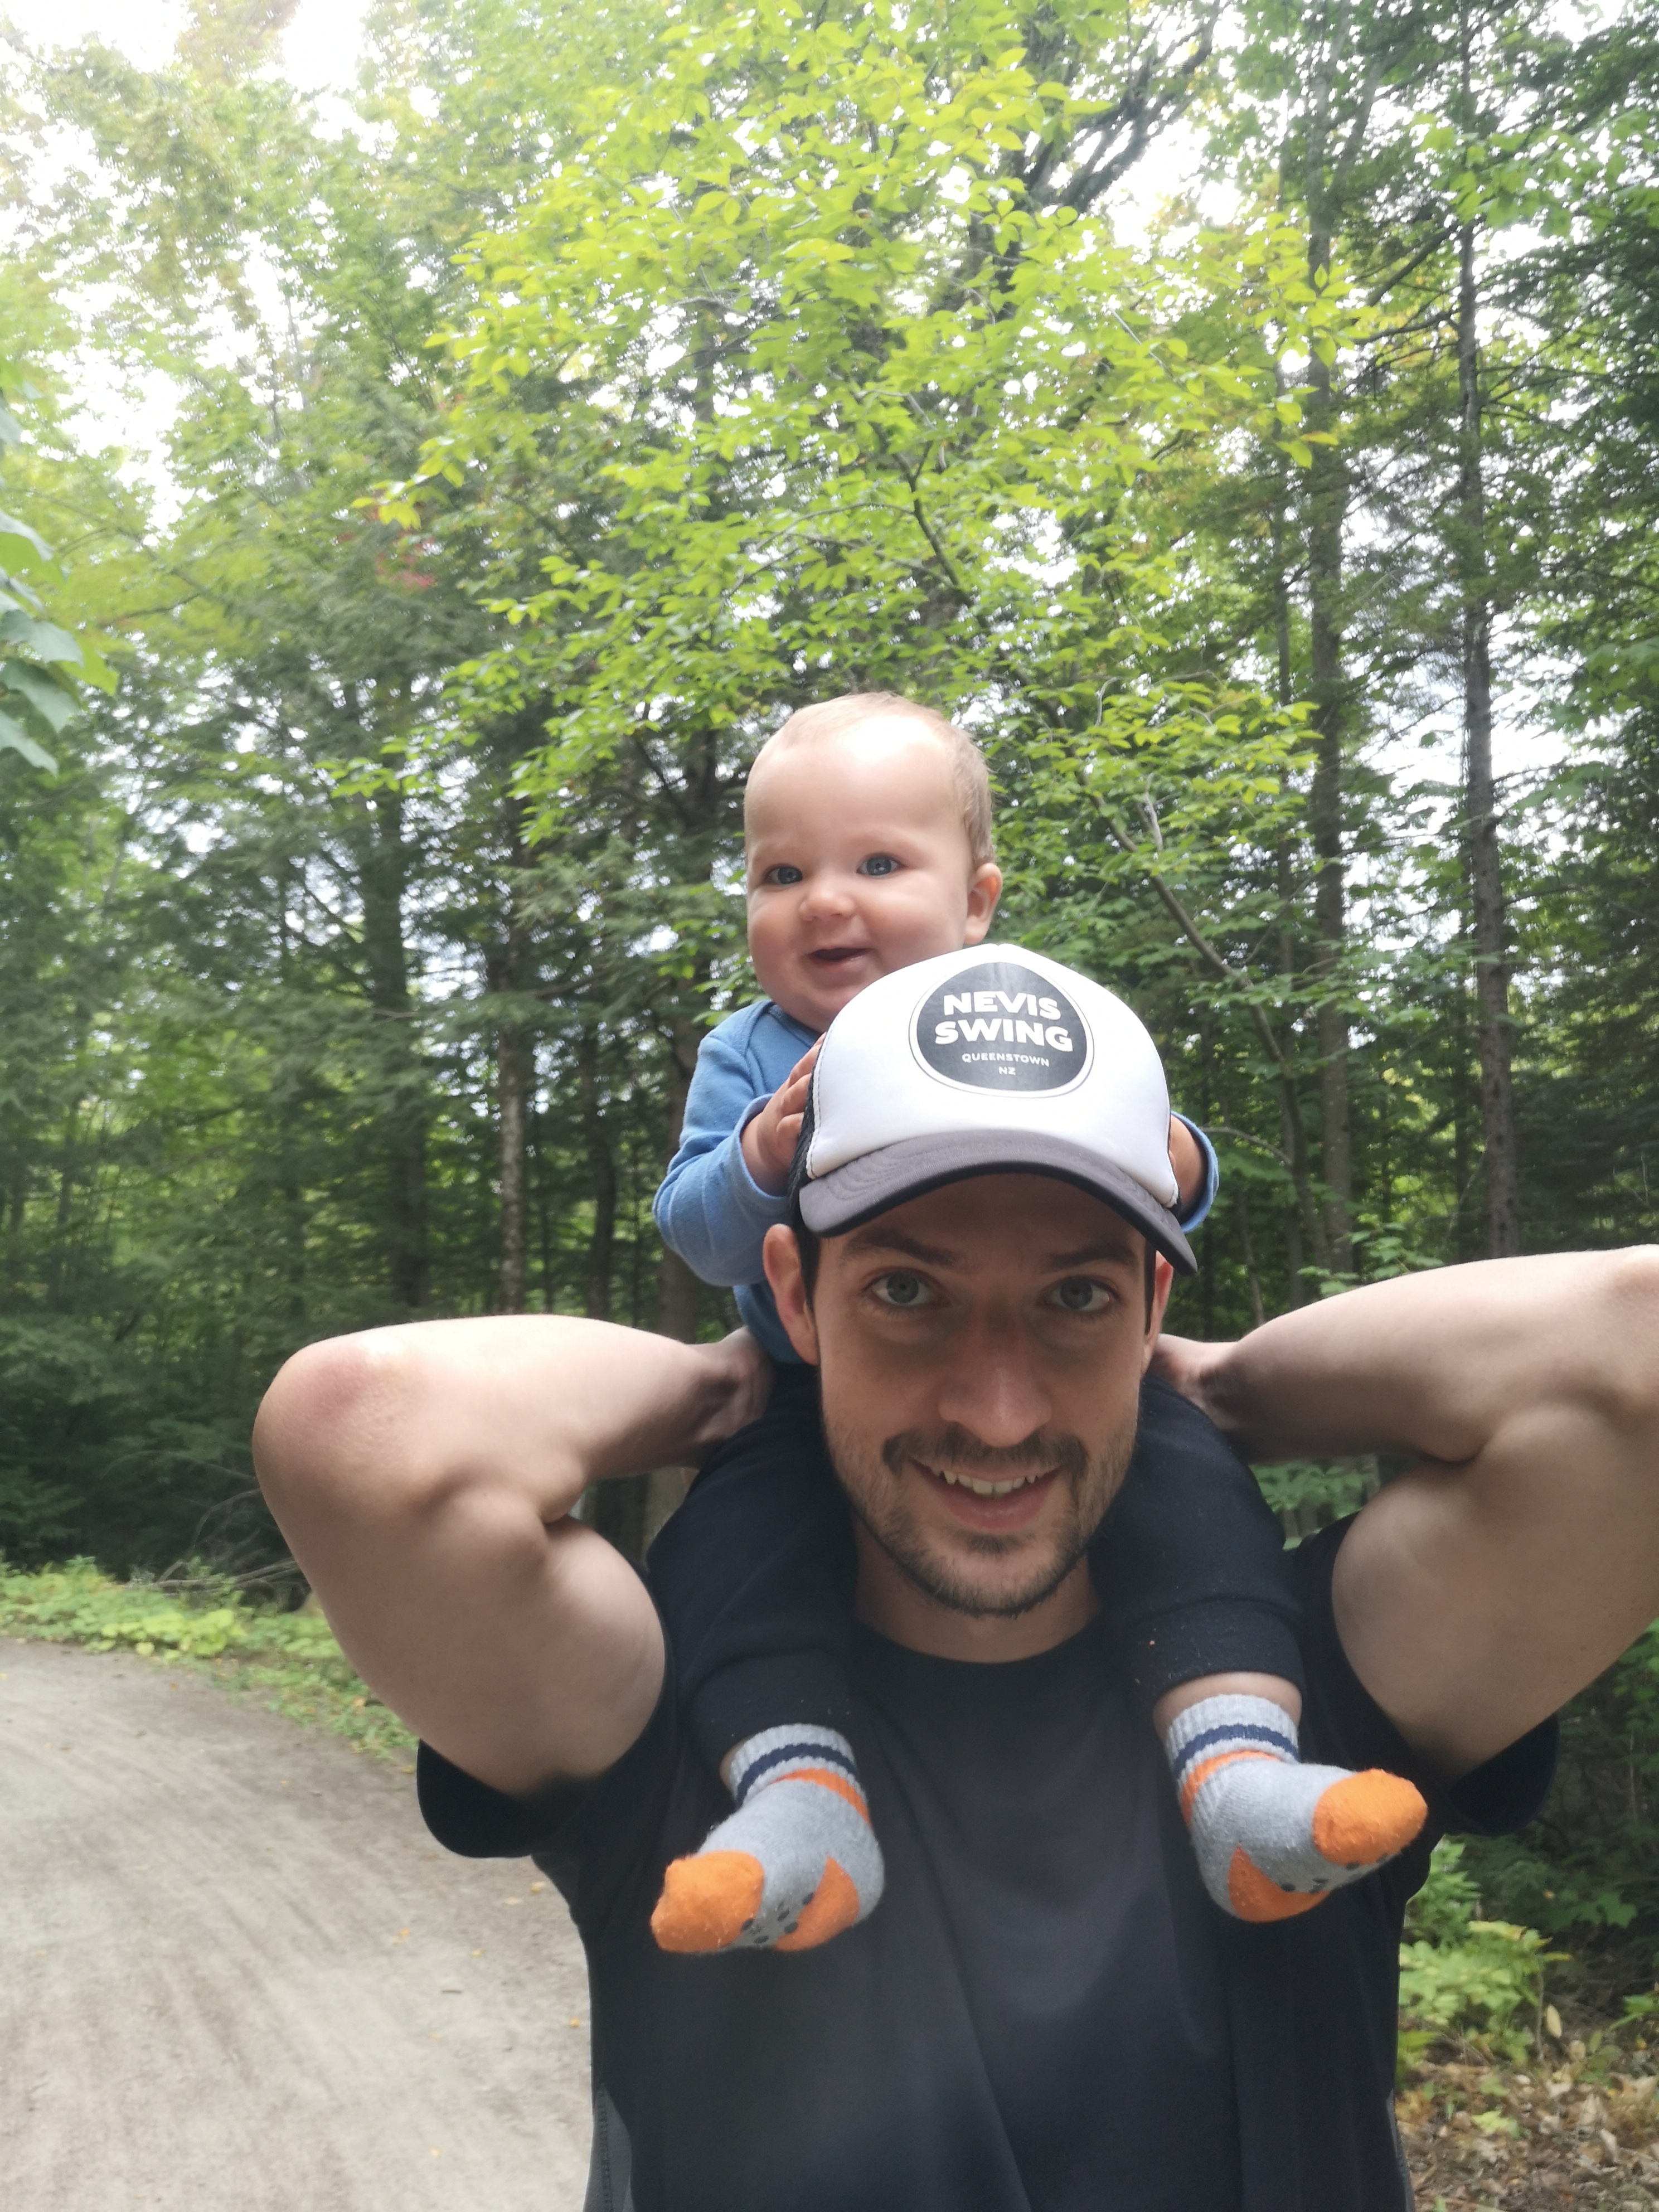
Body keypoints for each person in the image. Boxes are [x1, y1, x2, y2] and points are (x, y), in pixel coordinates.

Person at [250, 944, 1659, 2208]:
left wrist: (1227, 1387)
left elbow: (1632, 1351)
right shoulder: (677, 1716)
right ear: (795, 1294)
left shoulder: (1300, 1694)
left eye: (1077, 1296)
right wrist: (721, 1390)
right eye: (907, 1292)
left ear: (1155, 1307)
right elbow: (365, 1434)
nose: (997, 1410)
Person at [649, 693, 1418, 1949]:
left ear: (977, 901)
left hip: (1071, 1380)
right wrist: (754, 1158)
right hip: (812, 1391)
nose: (824, 901)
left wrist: (1186, 1166)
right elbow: (697, 1229)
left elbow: (1149, 1167)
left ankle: (1239, 1768)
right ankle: (799, 1796)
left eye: (877, 864)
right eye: (780, 874)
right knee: (731, 1548)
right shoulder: (752, 1053)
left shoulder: (1032, 1017)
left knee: (1191, 1488)